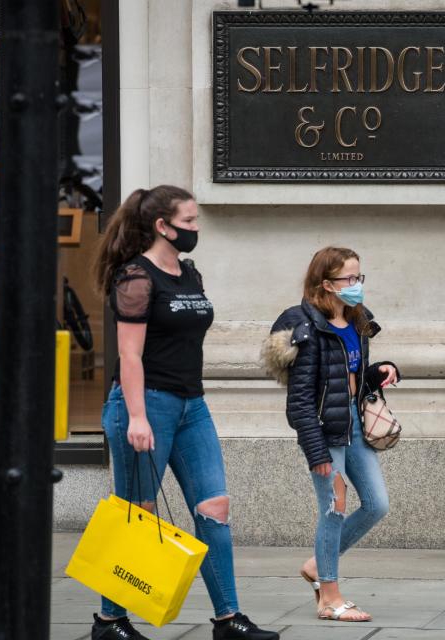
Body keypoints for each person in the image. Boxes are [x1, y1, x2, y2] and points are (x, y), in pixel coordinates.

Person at [91, 186, 279, 640]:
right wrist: (136, 417)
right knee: (137, 513)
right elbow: (130, 357)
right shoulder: (136, 278)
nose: (196, 229)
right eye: (189, 222)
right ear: (162, 225)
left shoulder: (189, 273)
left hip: (192, 405)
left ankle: (228, 618)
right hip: (146, 403)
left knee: (214, 507)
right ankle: (109, 620)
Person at [263, 247, 399, 622]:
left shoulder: (356, 320)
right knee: (334, 509)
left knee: (376, 504)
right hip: (326, 433)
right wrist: (317, 454)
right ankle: (329, 597)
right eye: (349, 280)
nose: (356, 286)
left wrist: (379, 372)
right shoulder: (306, 326)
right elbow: (301, 401)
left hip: (354, 425)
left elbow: (348, 378)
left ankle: (317, 565)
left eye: (360, 278)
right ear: (326, 283)